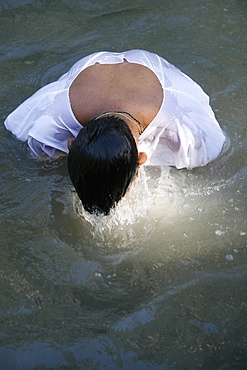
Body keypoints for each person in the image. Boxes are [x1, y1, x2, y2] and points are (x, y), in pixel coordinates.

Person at [4, 49, 225, 215]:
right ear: (70, 144)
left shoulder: (189, 135)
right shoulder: (48, 123)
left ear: (141, 159)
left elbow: (215, 168)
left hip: (158, 78)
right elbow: (40, 163)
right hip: (92, 72)